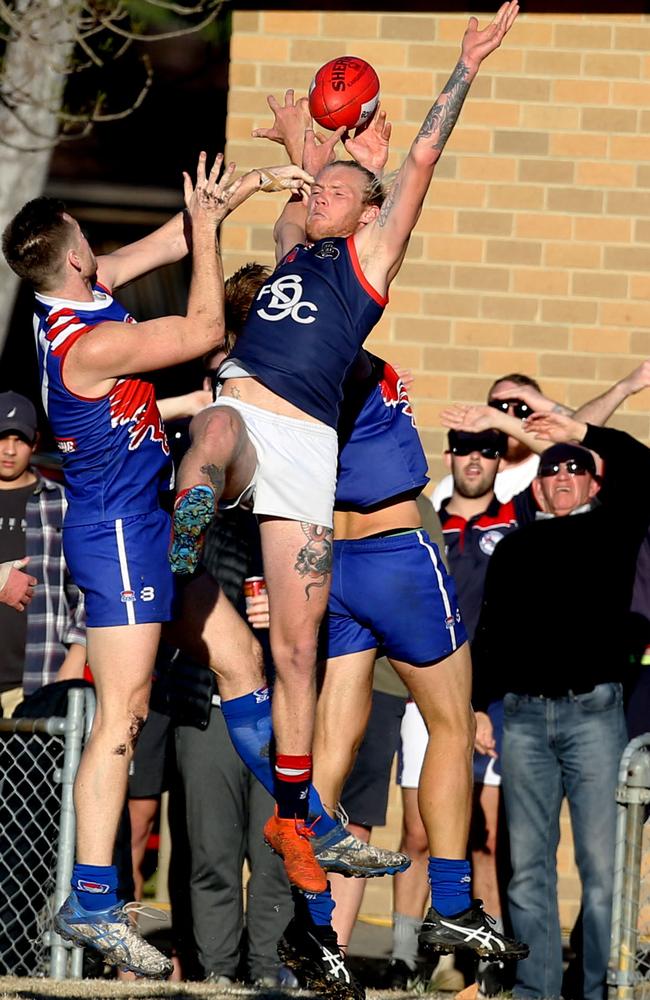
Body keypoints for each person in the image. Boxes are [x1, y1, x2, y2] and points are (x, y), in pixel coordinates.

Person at [168, 3, 520, 925]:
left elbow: (420, 162)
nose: (318, 192)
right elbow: (307, 185)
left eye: (336, 188)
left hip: (309, 457)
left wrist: (465, 65)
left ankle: (305, 829)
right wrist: (302, 135)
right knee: (208, 432)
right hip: (247, 417)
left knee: (296, 650)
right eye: (316, 188)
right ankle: (181, 553)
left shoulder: (368, 260)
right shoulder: (292, 249)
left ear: (367, 211)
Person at [2, 153, 312, 977]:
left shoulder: (71, 285)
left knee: (241, 662)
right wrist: (207, 236)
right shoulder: (91, 341)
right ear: (74, 258)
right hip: (116, 535)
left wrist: (243, 189)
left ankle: (301, 814)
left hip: (143, 522)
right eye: (88, 243)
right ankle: (93, 901)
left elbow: (179, 238)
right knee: (124, 717)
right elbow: (207, 330)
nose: (98, 251)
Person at [466, 410, 650, 1000]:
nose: (564, 476)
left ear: (594, 483)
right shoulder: (513, 549)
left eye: (576, 468)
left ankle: (595, 990)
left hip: (593, 716)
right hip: (521, 720)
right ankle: (535, 991)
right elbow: (488, 636)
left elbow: (642, 469)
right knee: (526, 873)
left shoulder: (614, 531)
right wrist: (476, 707)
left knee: (601, 872)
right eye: (553, 470)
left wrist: (580, 430)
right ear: (538, 485)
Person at [0, 391, 85, 717]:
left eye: (19, 439)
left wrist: (76, 658)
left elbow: (87, 591)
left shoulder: (61, 503)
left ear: (35, 442)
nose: (9, 449)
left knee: (38, 768)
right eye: (2, 437)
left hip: (37, 679)